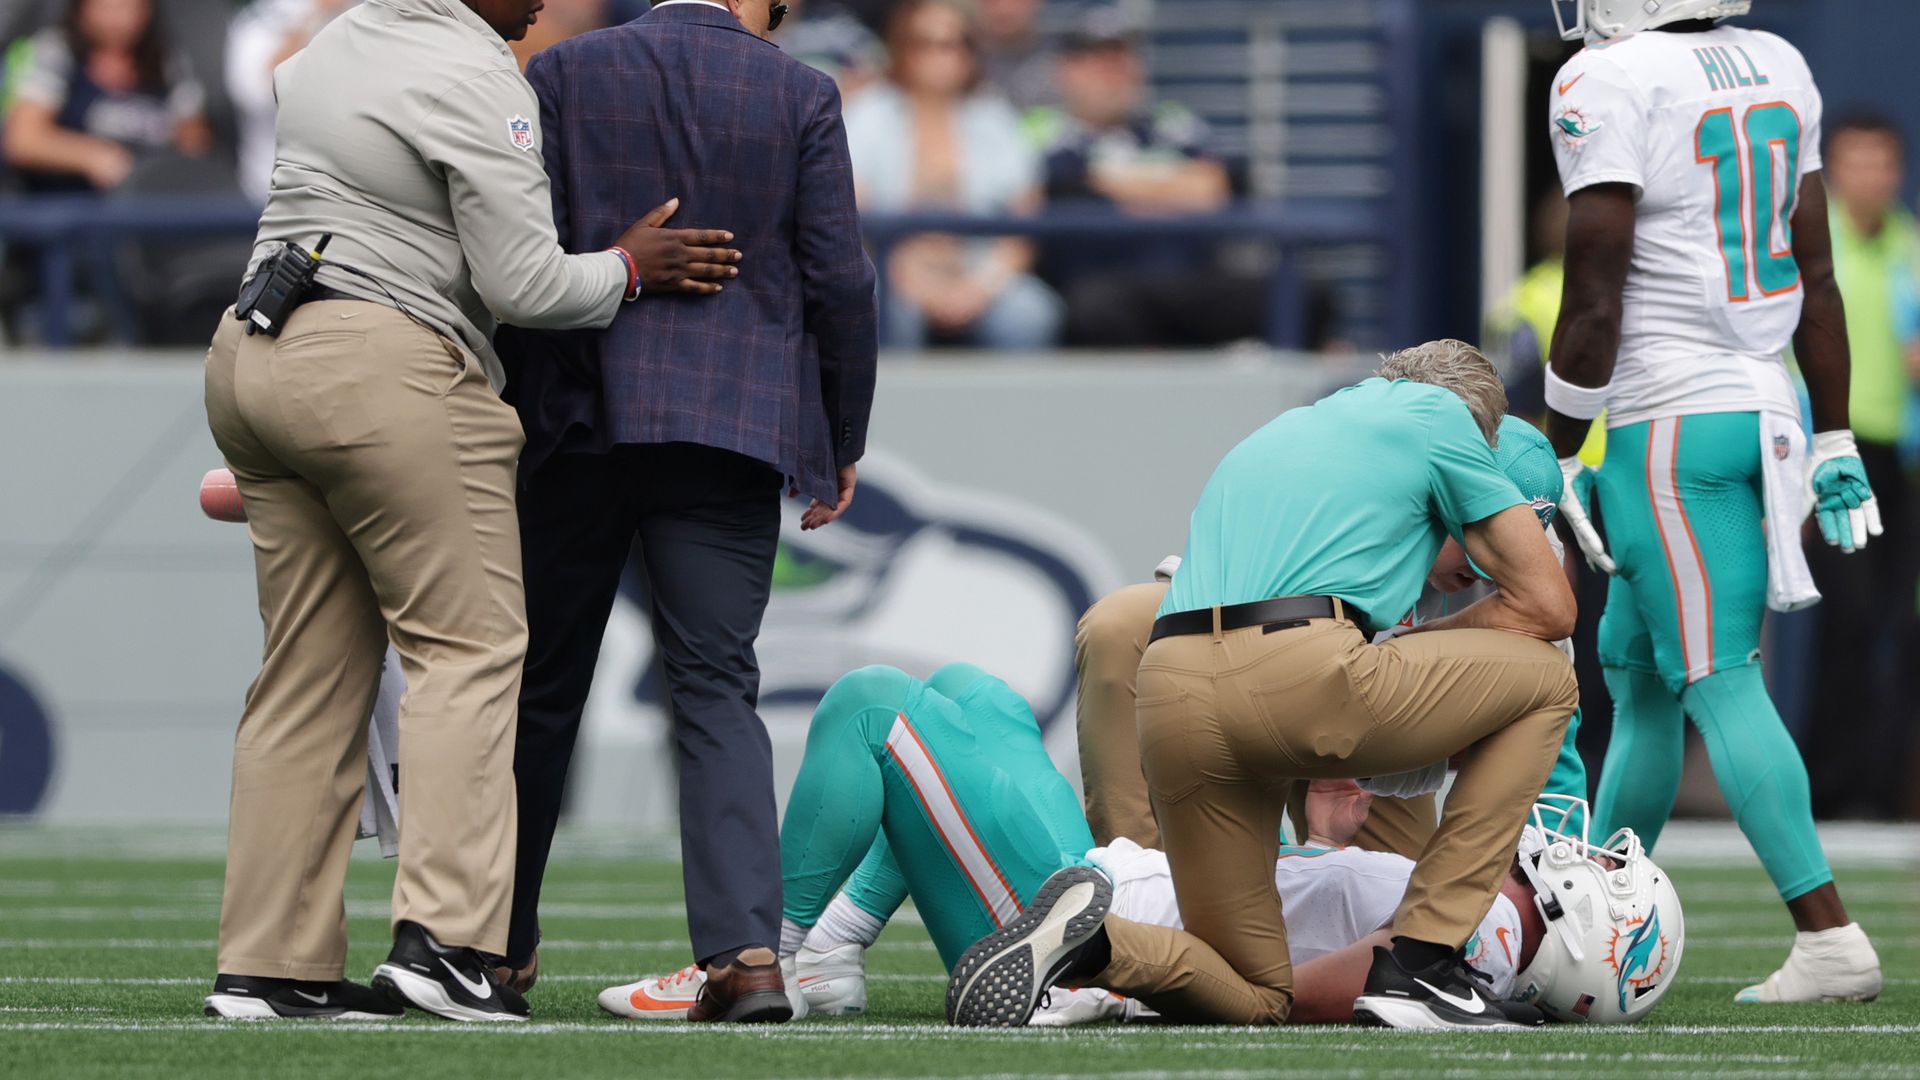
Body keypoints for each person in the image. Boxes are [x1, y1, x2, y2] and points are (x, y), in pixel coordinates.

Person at [200, 0, 740, 1024]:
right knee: (473, 649)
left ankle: (268, 965)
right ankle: (446, 945)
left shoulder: (327, 48)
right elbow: (526, 282)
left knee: (306, 676)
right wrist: (632, 265)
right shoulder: (479, 73)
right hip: (387, 362)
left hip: (252, 352)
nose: (540, 2)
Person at [946, 341, 1580, 1031]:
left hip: (1175, 692)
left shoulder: (1295, 429)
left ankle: (1094, 942)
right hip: (1300, 676)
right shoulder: (1441, 418)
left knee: (1259, 996)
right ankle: (1423, 962)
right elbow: (1552, 610)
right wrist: (1418, 651)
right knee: (1548, 678)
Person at [498, 0, 878, 1025]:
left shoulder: (567, 73)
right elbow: (840, 278)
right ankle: (748, 956)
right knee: (715, 688)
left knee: (539, 688)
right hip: (732, 428)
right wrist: (838, 437)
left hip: (579, 420)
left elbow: (520, 252)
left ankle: (496, 948)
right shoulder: (799, 90)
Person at [1543, 0, 1884, 1004]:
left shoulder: (1606, 78)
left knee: (1714, 678)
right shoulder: (1774, 58)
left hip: (1667, 420)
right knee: (1640, 679)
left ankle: (1828, 936)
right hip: (1759, 401)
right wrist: (1832, 433)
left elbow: (1595, 286)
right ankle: (1604, 911)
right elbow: (1815, 273)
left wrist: (1555, 448)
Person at [1076, 413, 1585, 858]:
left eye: (1505, 548)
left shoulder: (1536, 565)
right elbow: (1215, 603)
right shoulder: (1359, 489)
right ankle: (1137, 884)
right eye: (1475, 542)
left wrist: (1552, 869)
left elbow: (1548, 734)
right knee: (1124, 624)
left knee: (1396, 930)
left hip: (1380, 746)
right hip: (1251, 666)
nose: (1480, 573)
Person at [1802, 112, 1920, 821]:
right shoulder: (1815, 250)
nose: (1869, 177)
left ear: (1897, 172)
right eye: (1855, 162)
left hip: (1905, 464)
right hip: (1836, 455)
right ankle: (1829, 791)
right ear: (1833, 172)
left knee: (1899, 629)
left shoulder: (1911, 247)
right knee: (1842, 624)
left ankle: (1884, 795)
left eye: (1881, 163)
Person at [843, 0, 1062, 349]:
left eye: (955, 44)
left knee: (1030, 313)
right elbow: (853, 221)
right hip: (889, 270)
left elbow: (1024, 224)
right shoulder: (868, 115)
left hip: (978, 268)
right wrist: (917, 286)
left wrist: (978, 289)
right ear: (902, 49)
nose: (941, 56)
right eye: (925, 43)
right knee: (881, 307)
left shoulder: (995, 118)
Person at [3, 0, 209, 192]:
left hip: (150, 203)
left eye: (129, 7)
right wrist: (92, 156)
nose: (119, 19)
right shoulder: (57, 51)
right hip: (76, 209)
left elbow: (195, 141)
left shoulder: (166, 60)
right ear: (82, 8)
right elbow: (22, 141)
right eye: (108, 7)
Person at [226, 0, 357, 204]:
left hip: (363, 194)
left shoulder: (376, 10)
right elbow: (256, 94)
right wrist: (314, 17)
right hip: (281, 196)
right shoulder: (261, 17)